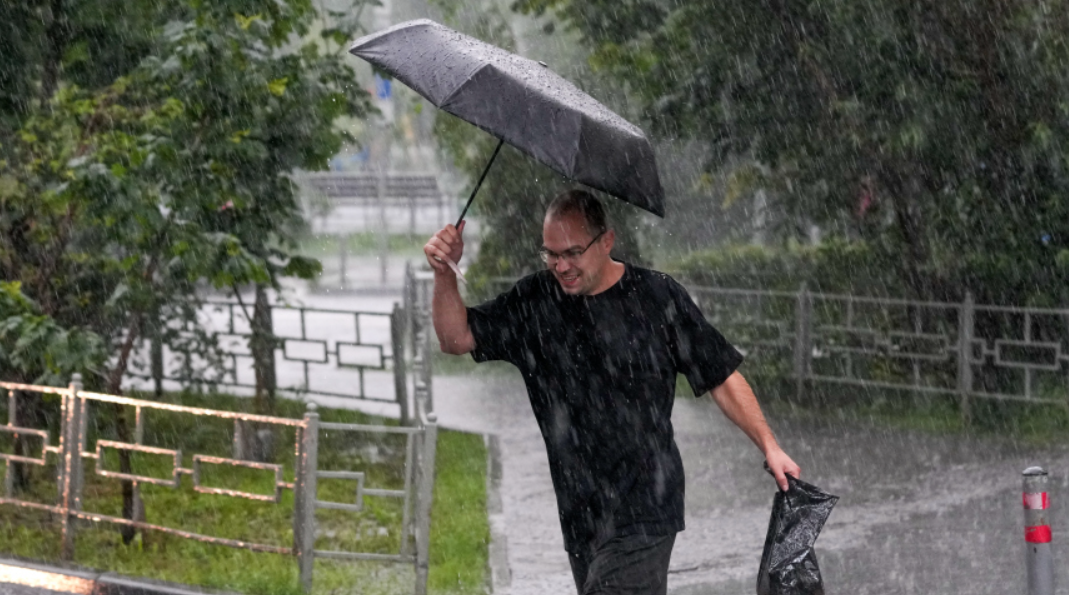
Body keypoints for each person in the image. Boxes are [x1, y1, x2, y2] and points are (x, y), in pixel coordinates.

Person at [424, 189, 801, 595]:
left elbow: (721, 376)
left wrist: (770, 445)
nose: (561, 266)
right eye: (550, 254)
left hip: (647, 506)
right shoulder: (535, 301)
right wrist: (444, 272)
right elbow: (456, 338)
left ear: (607, 241)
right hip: (580, 514)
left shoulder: (656, 298)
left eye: (572, 252)